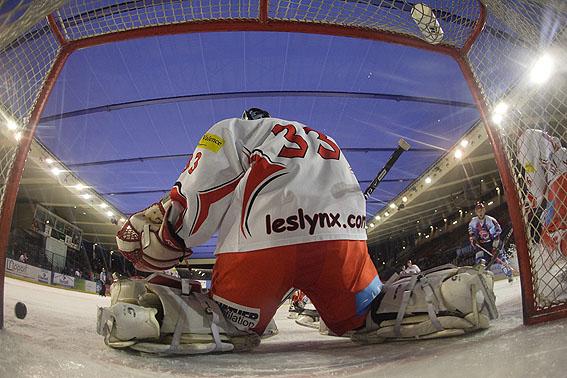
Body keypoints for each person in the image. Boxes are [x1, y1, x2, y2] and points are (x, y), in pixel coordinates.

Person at [104, 109, 498, 354]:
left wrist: (175, 231)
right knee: (361, 315)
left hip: (262, 249)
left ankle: (168, 316)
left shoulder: (237, 129)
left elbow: (212, 166)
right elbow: (352, 196)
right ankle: (444, 297)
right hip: (342, 244)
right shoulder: (321, 138)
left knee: (233, 319)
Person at [468, 202, 513, 282]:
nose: (480, 212)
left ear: (484, 210)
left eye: (481, 210)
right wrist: (473, 240)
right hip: (482, 245)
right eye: (478, 211)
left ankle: (509, 274)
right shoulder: (473, 222)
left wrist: (495, 247)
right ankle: (481, 279)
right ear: (476, 212)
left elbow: (497, 234)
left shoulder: (490, 220)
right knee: (480, 261)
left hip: (493, 242)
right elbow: (471, 233)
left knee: (500, 258)